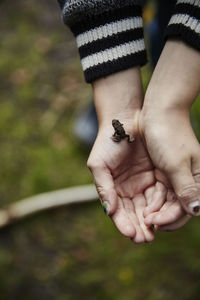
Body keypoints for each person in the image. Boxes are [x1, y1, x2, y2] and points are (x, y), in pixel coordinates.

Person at [57, 0, 200, 243]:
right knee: (158, 26)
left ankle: (161, 91)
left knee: (166, 26)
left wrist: (171, 103)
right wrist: (118, 106)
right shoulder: (121, 132)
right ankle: (129, 101)